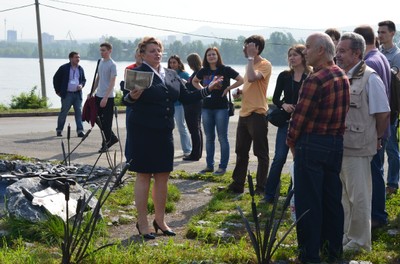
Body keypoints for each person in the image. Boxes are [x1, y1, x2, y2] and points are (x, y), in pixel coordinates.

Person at [124, 36, 223, 239]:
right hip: (142, 132)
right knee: (143, 176)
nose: (157, 53)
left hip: (163, 133)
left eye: (159, 50)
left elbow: (186, 96)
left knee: (163, 176)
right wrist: (131, 97)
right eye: (152, 50)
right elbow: (126, 99)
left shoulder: (171, 74)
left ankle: (160, 220)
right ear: (142, 54)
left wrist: (207, 89)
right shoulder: (137, 73)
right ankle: (142, 223)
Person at [286, 32, 350, 263]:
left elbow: (299, 118)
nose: (305, 51)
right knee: (332, 201)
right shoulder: (341, 74)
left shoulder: (315, 79)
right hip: (335, 144)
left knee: (309, 203)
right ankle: (333, 253)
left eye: (308, 47)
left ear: (321, 50)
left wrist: (291, 141)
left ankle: (310, 256)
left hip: (312, 144)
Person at [336, 32, 390, 252]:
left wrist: (376, 138)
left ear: (356, 53)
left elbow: (383, 113)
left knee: (359, 197)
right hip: (341, 145)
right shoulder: (342, 75)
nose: (337, 55)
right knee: (343, 196)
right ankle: (348, 236)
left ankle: (360, 242)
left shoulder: (370, 77)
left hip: (359, 148)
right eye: (337, 50)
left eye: (342, 51)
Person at [354, 25, 391, 230]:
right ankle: (378, 213)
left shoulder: (369, 62)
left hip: (373, 129)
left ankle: (377, 215)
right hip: (379, 128)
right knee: (377, 171)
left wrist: (376, 135)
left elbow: (379, 105)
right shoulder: (381, 57)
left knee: (374, 173)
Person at [263, 44, 311, 203]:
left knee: (300, 159)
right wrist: (283, 105)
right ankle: (269, 195)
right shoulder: (284, 75)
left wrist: (300, 108)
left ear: (303, 57)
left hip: (304, 124)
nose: (291, 58)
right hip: (286, 121)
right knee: (279, 158)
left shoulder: (311, 75)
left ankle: (293, 194)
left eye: (295, 55)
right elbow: (275, 98)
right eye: (290, 55)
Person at [227, 35, 271, 193]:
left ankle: (261, 187)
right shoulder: (250, 64)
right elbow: (250, 84)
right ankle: (238, 184)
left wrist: (251, 58)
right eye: (244, 47)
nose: (244, 50)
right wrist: (241, 92)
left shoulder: (265, 64)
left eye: (247, 46)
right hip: (244, 114)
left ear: (257, 48)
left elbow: (252, 78)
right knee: (241, 151)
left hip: (257, 114)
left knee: (261, 153)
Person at [193, 47, 244, 176]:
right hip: (206, 108)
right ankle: (209, 166)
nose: (211, 56)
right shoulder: (203, 71)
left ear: (218, 56)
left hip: (221, 108)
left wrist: (228, 88)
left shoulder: (225, 69)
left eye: (213, 54)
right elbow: (194, 81)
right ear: (206, 57)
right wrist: (203, 91)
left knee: (223, 138)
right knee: (209, 138)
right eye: (209, 55)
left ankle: (222, 166)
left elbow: (241, 80)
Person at [378, 20, 400, 196]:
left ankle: (392, 183)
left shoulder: (398, 55)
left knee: (391, 148)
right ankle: (380, 183)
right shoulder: (378, 53)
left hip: (390, 108)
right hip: (378, 106)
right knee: (379, 146)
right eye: (378, 32)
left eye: (383, 32)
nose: (380, 35)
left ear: (392, 33)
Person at [93, 42, 119, 153]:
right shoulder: (100, 62)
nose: (102, 52)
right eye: (101, 50)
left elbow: (112, 82)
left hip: (108, 97)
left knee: (107, 122)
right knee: (95, 118)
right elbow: (98, 78)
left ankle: (106, 142)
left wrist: (106, 97)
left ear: (109, 51)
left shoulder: (112, 65)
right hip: (98, 95)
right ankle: (111, 137)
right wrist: (92, 91)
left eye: (104, 50)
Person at [53, 51, 86, 137]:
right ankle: (59, 130)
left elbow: (83, 80)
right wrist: (57, 91)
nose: (78, 59)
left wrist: (81, 85)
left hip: (77, 94)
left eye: (79, 57)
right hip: (67, 94)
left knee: (79, 112)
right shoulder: (64, 68)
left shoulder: (80, 68)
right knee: (64, 112)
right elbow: (56, 79)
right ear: (71, 58)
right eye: (76, 57)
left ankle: (80, 131)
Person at [168, 55, 192, 158]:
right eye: (171, 62)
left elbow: (191, 87)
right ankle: (169, 150)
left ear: (179, 63)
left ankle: (187, 149)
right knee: (169, 128)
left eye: (174, 62)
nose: (172, 64)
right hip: (169, 104)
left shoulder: (184, 74)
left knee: (181, 126)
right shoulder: (167, 74)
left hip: (179, 104)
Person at [121, 47, 142, 163]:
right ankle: (129, 157)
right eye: (138, 54)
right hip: (132, 103)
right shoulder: (130, 68)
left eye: (141, 54)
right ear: (135, 56)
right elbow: (128, 85)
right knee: (131, 130)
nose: (140, 56)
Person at [183, 53, 204, 161]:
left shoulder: (198, 73)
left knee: (194, 129)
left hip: (193, 103)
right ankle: (197, 152)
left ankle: (195, 154)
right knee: (197, 128)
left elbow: (196, 87)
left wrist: (186, 84)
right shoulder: (199, 72)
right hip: (196, 103)